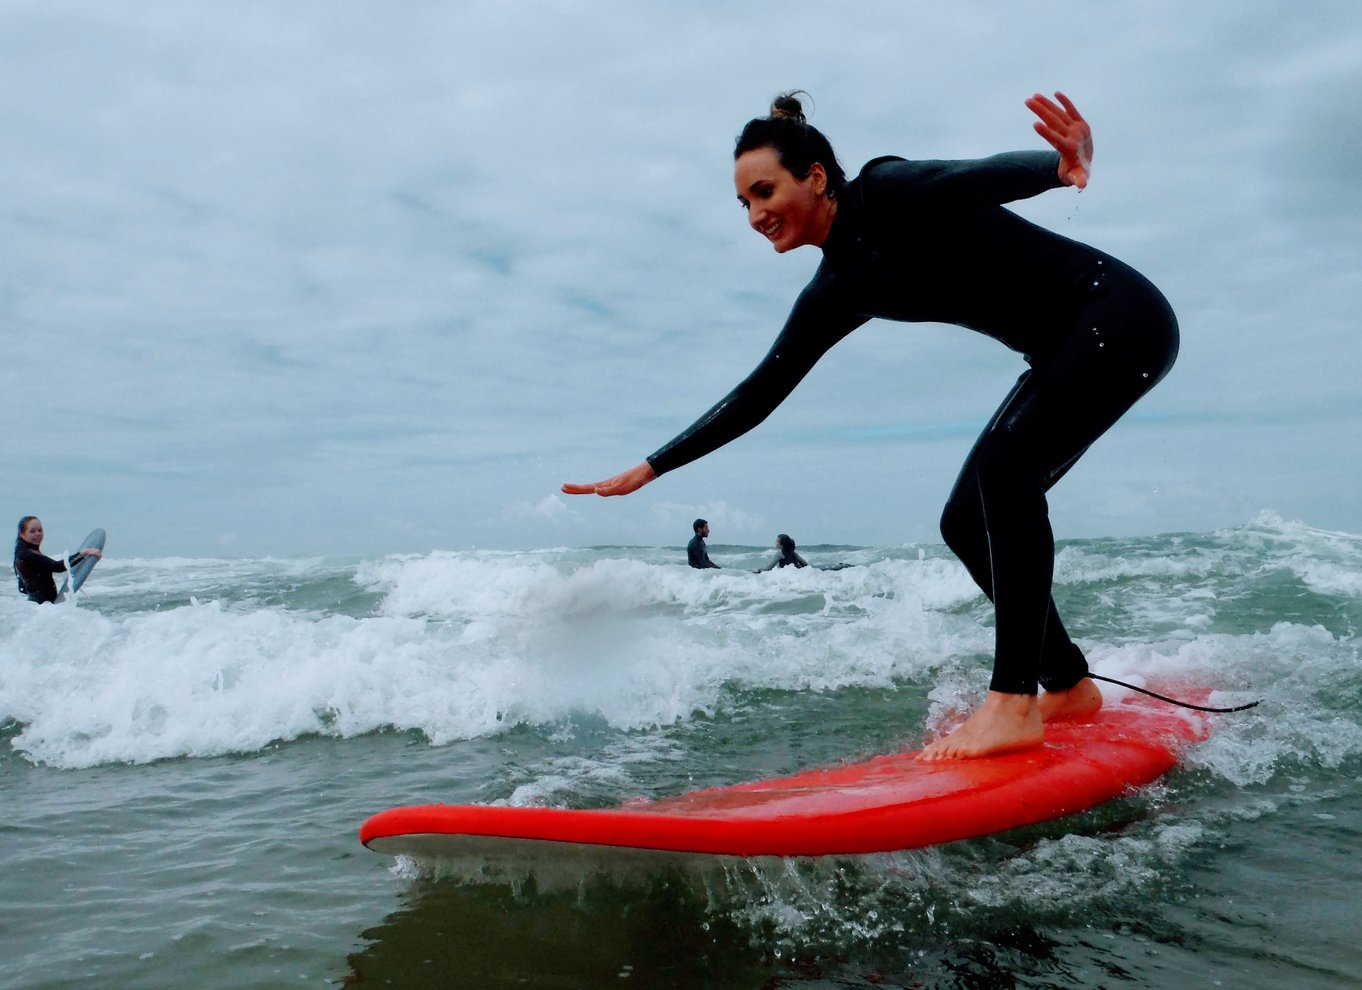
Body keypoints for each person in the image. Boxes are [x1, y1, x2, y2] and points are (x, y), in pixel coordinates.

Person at [563, 91, 1178, 761]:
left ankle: (1012, 703)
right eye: (744, 203)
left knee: (1007, 470)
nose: (756, 214)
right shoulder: (837, 288)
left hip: (1118, 316)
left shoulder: (886, 192)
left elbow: (976, 173)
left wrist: (1057, 165)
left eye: (764, 190)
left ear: (816, 177)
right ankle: (1065, 684)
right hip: (1066, 348)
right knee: (964, 521)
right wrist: (653, 466)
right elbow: (762, 390)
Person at [12, 516, 102, 604]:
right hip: (44, 606)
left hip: (39, 606)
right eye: (32, 531)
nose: (38, 534)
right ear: (22, 534)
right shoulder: (27, 555)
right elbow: (58, 566)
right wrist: (82, 553)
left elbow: (22, 588)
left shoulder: (21, 553)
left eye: (40, 530)